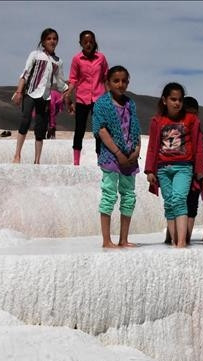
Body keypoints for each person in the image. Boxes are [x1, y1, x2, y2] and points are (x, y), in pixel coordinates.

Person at [145, 82, 203, 249]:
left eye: (179, 99)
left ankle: (181, 242)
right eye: (173, 99)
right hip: (163, 168)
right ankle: (173, 241)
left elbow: (198, 146)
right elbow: (152, 146)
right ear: (164, 100)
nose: (177, 103)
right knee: (169, 203)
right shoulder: (157, 120)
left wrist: (200, 172)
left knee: (179, 199)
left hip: (183, 166)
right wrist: (149, 170)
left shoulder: (191, 120)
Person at [92, 66, 141, 249]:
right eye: (116, 81)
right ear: (108, 83)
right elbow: (101, 130)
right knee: (109, 195)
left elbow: (135, 129)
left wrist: (136, 151)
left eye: (124, 81)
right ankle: (106, 240)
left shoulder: (130, 104)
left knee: (128, 196)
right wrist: (118, 153)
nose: (120, 84)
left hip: (129, 157)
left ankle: (123, 239)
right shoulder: (102, 104)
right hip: (111, 156)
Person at [12, 28, 69, 164]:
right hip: (31, 93)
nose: (52, 41)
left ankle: (37, 161)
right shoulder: (35, 55)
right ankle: (17, 155)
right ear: (43, 42)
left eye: (54, 39)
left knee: (41, 127)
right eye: (49, 39)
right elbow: (25, 74)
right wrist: (19, 92)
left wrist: (68, 92)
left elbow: (60, 83)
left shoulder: (58, 62)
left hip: (45, 97)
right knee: (25, 120)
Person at [65, 30, 109, 166]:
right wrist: (68, 93)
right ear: (80, 43)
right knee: (79, 129)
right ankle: (76, 162)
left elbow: (106, 78)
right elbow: (73, 79)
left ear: (94, 42)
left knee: (99, 130)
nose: (88, 44)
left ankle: (100, 161)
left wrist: (110, 97)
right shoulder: (77, 59)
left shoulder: (101, 58)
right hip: (82, 98)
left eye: (91, 41)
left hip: (99, 98)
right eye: (85, 42)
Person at [164, 96, 201, 244]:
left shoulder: (198, 132)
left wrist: (202, 175)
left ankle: (186, 239)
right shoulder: (178, 131)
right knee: (175, 203)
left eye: (194, 113)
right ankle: (171, 238)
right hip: (179, 172)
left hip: (194, 176)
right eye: (189, 113)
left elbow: (200, 154)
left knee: (191, 206)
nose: (191, 116)